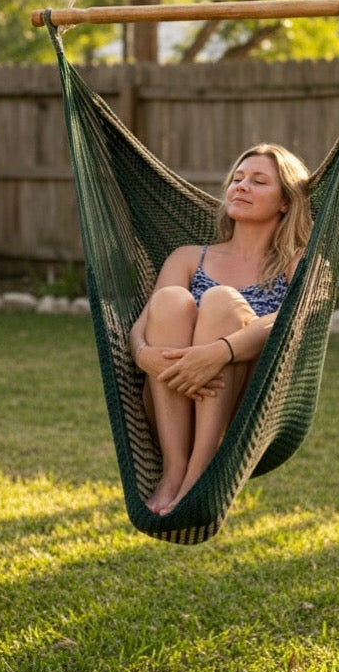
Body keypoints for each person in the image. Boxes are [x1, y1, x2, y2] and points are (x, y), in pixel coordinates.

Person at [129, 143, 312, 516]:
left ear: (285, 203)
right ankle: (175, 469)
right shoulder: (187, 258)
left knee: (220, 302)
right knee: (170, 302)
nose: (241, 186)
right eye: (237, 179)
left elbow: (293, 319)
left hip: (240, 407)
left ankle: (200, 475)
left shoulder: (300, 262)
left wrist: (218, 352)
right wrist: (145, 356)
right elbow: (141, 328)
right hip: (170, 398)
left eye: (259, 181)